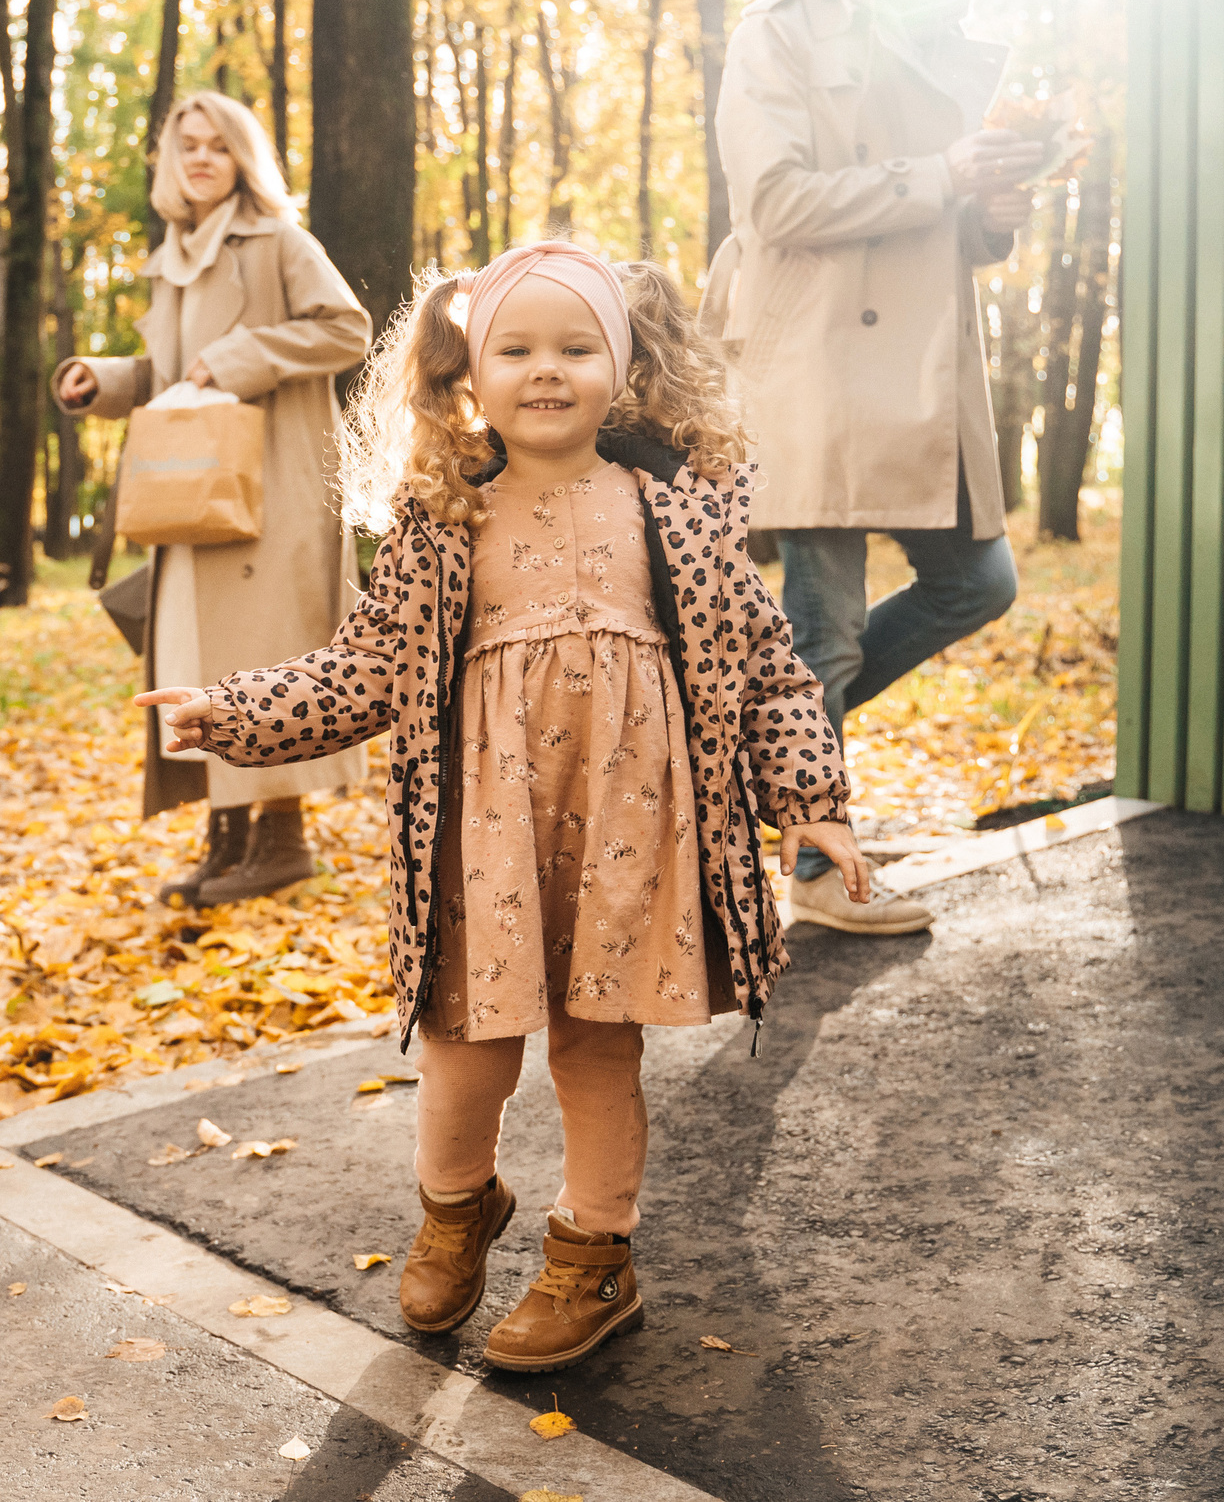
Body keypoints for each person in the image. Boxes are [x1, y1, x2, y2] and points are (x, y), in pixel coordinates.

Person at [140, 241, 866, 1372]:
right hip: (484, 841)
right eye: (514, 349)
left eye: (576, 348)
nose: (545, 370)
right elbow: (365, 670)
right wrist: (233, 713)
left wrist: (811, 799)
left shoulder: (671, 508)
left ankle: (593, 1258)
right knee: (463, 1052)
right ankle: (456, 1203)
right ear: (465, 375)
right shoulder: (442, 522)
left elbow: (765, 662)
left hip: (632, 841)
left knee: (594, 1047)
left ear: (618, 371)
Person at [706, 0, 1042, 934]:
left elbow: (945, 219)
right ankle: (811, 868)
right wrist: (938, 173)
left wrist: (990, 212)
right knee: (823, 630)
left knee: (977, 584)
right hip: (814, 354)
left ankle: (787, 753)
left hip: (920, 363)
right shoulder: (776, 33)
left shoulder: (949, 33)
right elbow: (775, 204)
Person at [55, 91, 372, 907]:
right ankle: (227, 838)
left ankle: (282, 837)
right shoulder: (172, 258)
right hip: (198, 489)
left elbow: (347, 328)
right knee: (202, 657)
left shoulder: (279, 241)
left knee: (262, 651)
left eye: (217, 147)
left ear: (242, 159)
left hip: (274, 484)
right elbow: (171, 372)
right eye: (186, 145)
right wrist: (108, 380)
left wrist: (242, 355)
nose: (199, 158)